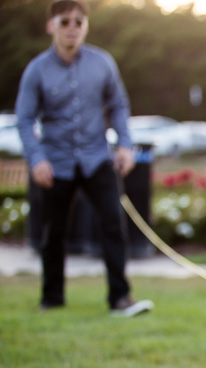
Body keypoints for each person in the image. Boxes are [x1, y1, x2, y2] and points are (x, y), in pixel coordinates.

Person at [15, 0, 152, 316]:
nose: (72, 28)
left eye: (79, 22)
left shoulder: (102, 63)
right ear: (52, 26)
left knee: (113, 224)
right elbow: (24, 120)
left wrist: (124, 145)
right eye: (65, 22)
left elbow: (118, 106)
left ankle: (120, 298)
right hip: (55, 163)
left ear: (86, 26)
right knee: (54, 233)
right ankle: (52, 299)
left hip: (96, 159)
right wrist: (37, 159)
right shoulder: (37, 70)